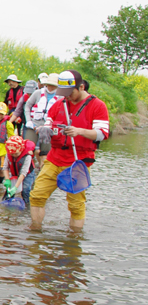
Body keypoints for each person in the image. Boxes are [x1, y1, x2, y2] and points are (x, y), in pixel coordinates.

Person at [30, 70, 109, 231]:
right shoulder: (60, 104)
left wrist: (80, 131)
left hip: (78, 162)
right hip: (54, 158)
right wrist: (45, 129)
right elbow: (49, 122)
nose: (66, 96)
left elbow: (102, 134)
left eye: (69, 93)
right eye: (63, 93)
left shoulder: (97, 106)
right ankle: (35, 231)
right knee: (37, 195)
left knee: (76, 204)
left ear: (80, 87)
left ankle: (74, 240)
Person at [24, 72, 61, 166]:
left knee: (45, 154)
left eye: (53, 86)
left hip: (48, 127)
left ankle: (41, 171)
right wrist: (28, 120)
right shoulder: (37, 93)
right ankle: (27, 170)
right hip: (34, 124)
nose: (51, 87)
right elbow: (27, 106)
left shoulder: (60, 97)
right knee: (28, 150)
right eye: (49, 85)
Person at [2, 136, 36, 206]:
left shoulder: (27, 156)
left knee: (25, 190)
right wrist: (7, 180)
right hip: (15, 173)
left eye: (16, 154)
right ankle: (7, 204)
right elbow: (5, 167)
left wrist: (16, 187)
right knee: (9, 190)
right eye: (12, 154)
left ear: (21, 150)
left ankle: (27, 206)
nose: (14, 156)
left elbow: (24, 172)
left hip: (28, 174)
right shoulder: (8, 154)